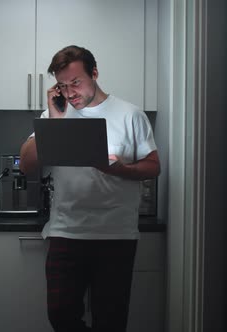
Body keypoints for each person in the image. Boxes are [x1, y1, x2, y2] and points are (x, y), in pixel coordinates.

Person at [19, 45, 160, 332]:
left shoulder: (130, 115)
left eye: (76, 83)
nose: (70, 93)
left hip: (115, 235)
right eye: (62, 85)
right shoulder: (54, 116)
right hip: (66, 232)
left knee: (110, 320)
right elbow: (26, 164)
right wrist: (56, 122)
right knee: (60, 315)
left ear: (94, 74)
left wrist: (122, 169)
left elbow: (153, 167)